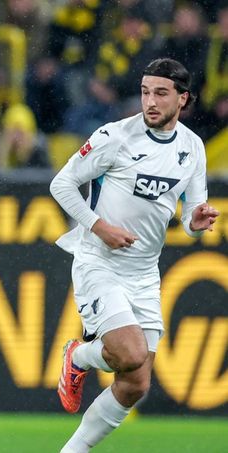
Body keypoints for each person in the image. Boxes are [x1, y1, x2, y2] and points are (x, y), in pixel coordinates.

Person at [50, 58, 219, 453]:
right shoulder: (114, 136)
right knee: (130, 353)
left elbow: (192, 216)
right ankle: (80, 355)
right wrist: (99, 227)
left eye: (160, 93)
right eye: (145, 92)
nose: (150, 102)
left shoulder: (192, 147)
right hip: (98, 262)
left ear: (183, 98)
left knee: (136, 383)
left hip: (144, 273)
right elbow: (62, 184)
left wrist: (196, 221)